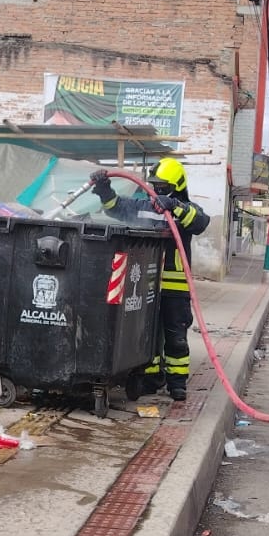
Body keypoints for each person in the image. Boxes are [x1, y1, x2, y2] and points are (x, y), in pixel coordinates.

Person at [90, 157, 209, 402]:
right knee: (148, 335)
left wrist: (173, 205)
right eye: (155, 184)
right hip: (147, 285)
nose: (157, 189)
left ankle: (177, 384)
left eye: (163, 186)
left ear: (176, 185)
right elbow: (115, 207)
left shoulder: (184, 209)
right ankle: (151, 380)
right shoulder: (143, 206)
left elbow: (200, 221)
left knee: (175, 336)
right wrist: (104, 190)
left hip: (175, 287)